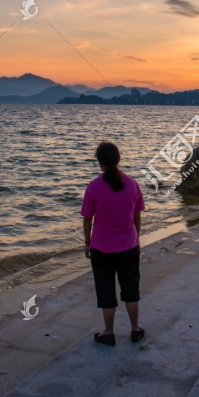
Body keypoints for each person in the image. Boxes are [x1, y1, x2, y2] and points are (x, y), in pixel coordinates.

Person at [80, 142, 146, 346]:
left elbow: (87, 219)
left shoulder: (93, 186)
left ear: (100, 163)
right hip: (129, 246)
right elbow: (137, 216)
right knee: (131, 289)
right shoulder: (133, 184)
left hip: (102, 249)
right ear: (118, 159)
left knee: (106, 291)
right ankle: (135, 330)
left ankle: (108, 333)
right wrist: (135, 238)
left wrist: (87, 242)